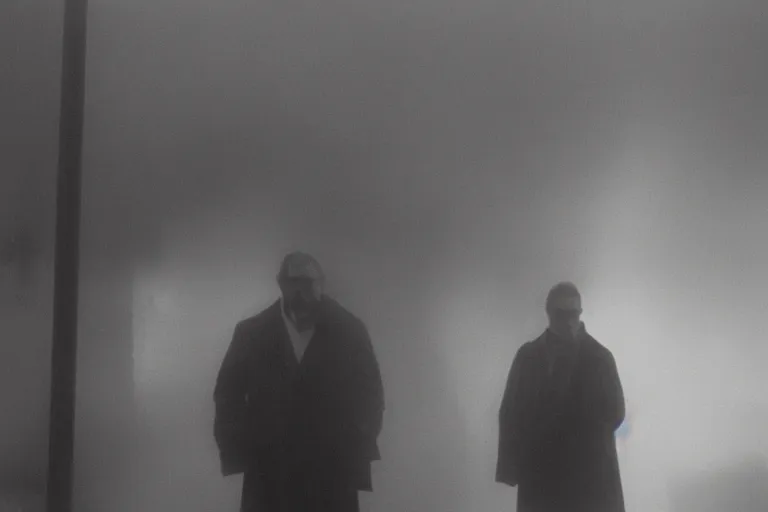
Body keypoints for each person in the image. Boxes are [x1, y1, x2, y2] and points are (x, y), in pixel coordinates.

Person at [213, 251, 385, 512]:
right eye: (293, 283)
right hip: (269, 472)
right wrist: (243, 448)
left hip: (332, 471)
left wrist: (353, 446)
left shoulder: (350, 332)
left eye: (308, 283)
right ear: (280, 284)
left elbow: (370, 396)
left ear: (321, 283)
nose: (300, 292)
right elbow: (227, 395)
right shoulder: (251, 333)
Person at [495, 281, 626, 512]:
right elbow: (510, 412)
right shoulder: (529, 357)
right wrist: (510, 467)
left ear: (580, 313)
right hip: (542, 475)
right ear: (549, 313)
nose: (567, 321)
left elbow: (615, 412)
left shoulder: (600, 358)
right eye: (560, 314)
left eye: (573, 314)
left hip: (589, 477)